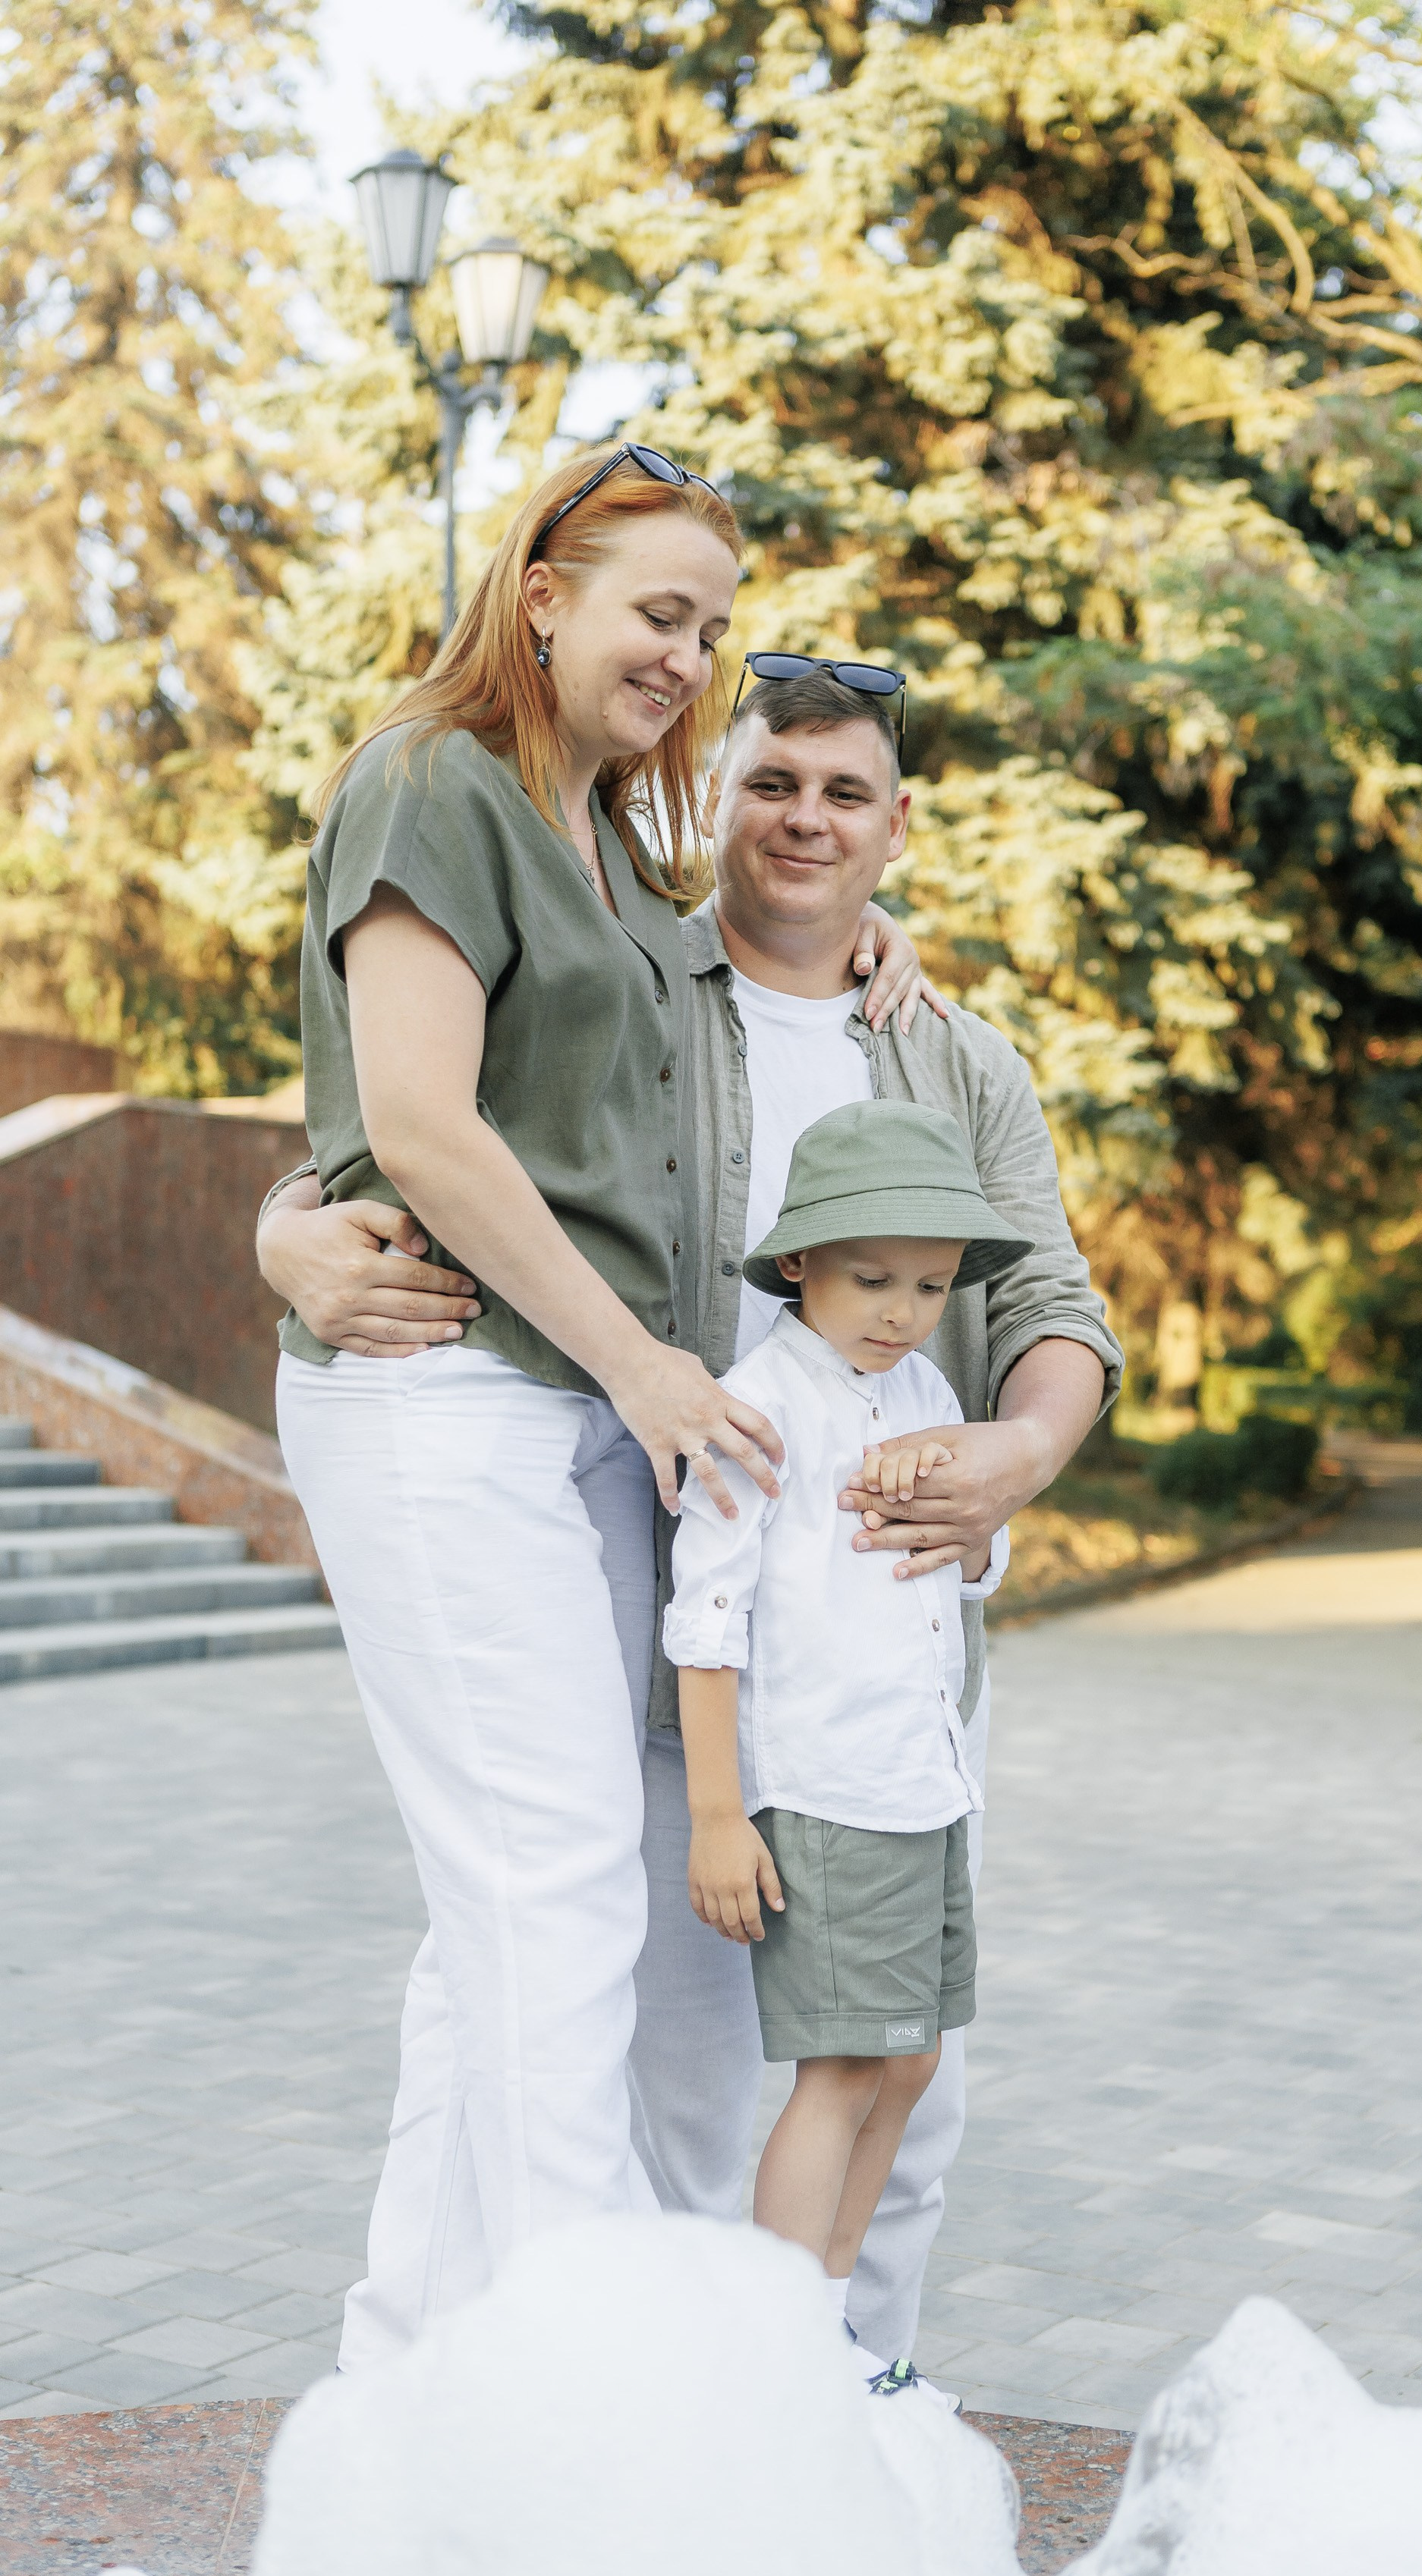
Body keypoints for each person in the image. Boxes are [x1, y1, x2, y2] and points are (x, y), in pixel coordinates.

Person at [259, 662, 1122, 2379]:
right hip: (678, 1639)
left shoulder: (952, 1054)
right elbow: (428, 1125)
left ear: (896, 827)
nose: (805, 819)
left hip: (887, 1659)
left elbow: (1053, 1302)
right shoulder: (642, 984)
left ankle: (846, 2403)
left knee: (897, 2071)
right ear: (711, 798)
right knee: (660, 2059)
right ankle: (663, 2425)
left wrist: (1022, 1454)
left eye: (846, 792)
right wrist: (283, 1220)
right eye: (771, 780)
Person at [272, 441, 798, 2372]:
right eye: (658, 609)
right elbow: (411, 1119)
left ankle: (405, 2383)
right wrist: (643, 1363)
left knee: (501, 1919)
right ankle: (584, 2395)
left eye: (712, 628)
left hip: (579, 1416)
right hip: (449, 1396)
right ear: (546, 588)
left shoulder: (631, 861)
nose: (687, 655)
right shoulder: (436, 781)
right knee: (556, 1890)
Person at [666, 1101, 1031, 2410]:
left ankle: (831, 2314)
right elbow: (705, 1622)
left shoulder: (922, 1390)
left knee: (914, 2058)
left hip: (921, 1778)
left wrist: (980, 1536)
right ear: (800, 1266)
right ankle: (781, 2341)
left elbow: (962, 1565)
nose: (901, 1308)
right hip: (825, 1791)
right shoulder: (759, 1408)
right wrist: (721, 1816)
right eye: (872, 1277)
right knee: (844, 2067)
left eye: (930, 1285)